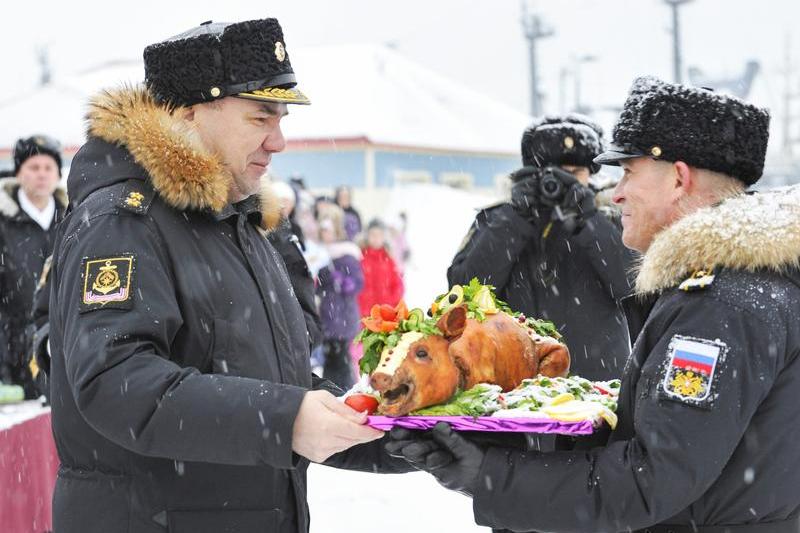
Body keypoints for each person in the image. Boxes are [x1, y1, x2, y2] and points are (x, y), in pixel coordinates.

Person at [389, 77, 800, 533]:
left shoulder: (722, 304)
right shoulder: (738, 284)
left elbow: (654, 477)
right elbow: (463, 286)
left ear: (679, 178)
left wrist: (489, 479)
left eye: (628, 172)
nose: (617, 191)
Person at [47, 19, 409, 533]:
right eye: (261, 118)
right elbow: (117, 383)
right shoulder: (123, 222)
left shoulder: (240, 225)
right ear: (189, 113)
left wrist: (397, 432)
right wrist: (287, 420)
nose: (279, 141)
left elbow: (270, 384)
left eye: (281, 119)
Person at [448, 115, 636, 381]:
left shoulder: (614, 217)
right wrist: (515, 219)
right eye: (553, 173)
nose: (561, 183)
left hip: (595, 386)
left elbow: (636, 290)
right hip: (513, 384)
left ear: (591, 175)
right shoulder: (497, 219)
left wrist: (587, 221)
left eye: (573, 175)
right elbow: (463, 292)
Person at [0, 134, 67, 398]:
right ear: (19, 172)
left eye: (48, 167)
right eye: (33, 167)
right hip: (13, 355)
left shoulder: (74, 219)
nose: (42, 174)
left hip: (60, 352)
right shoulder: (4, 224)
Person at [316, 203, 363, 389]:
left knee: (340, 360)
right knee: (332, 359)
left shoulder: (346, 255)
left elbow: (356, 284)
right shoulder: (322, 255)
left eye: (328, 230)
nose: (324, 234)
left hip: (342, 317)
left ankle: (341, 391)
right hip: (329, 316)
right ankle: (334, 390)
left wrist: (341, 280)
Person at [358, 218, 404, 316]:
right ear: (367, 236)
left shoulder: (389, 259)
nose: (376, 238)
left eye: (379, 235)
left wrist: (391, 302)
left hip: (385, 313)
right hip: (363, 313)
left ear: (384, 237)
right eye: (372, 234)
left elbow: (397, 284)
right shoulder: (359, 257)